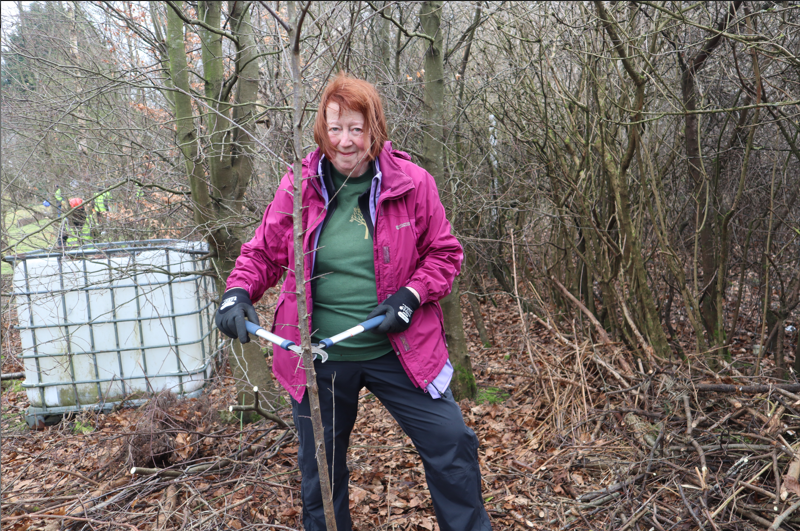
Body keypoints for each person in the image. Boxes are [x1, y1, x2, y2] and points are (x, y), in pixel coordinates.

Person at [215, 73, 491, 531]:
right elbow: (262, 253)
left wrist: (410, 296)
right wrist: (236, 293)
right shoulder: (298, 186)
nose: (346, 141)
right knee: (320, 475)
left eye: (357, 129)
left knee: (451, 443)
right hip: (319, 355)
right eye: (336, 128)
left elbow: (445, 253)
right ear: (322, 130)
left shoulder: (413, 183)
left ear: (374, 130)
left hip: (399, 350)